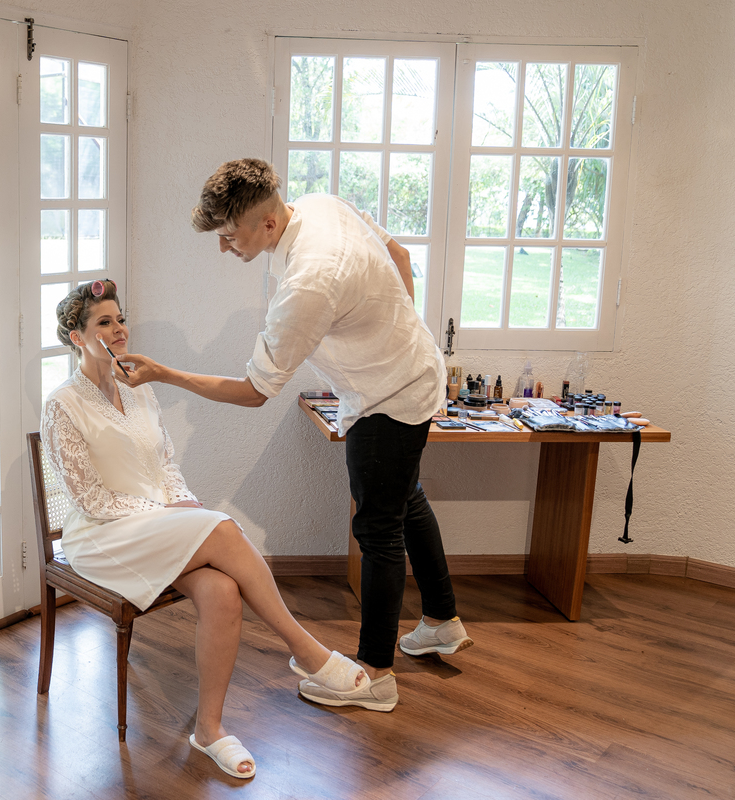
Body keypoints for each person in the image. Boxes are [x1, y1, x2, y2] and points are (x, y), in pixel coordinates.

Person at [115, 158, 473, 712]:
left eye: (229, 235)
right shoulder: (321, 203)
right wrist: (398, 332)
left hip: (389, 398)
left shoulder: (308, 281)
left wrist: (164, 373)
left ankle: (377, 676)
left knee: (378, 528)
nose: (223, 247)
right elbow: (400, 257)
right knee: (405, 497)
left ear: (266, 223)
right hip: (414, 370)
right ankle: (442, 621)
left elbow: (255, 392)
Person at [40, 279, 371, 780]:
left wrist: (181, 503)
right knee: (222, 529)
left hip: (156, 524)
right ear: (77, 337)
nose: (120, 329)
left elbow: (166, 465)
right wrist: (170, 515)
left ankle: (210, 730)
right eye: (104, 322)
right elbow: (92, 499)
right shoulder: (62, 404)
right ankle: (307, 651)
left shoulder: (139, 387)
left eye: (120, 318)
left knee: (221, 590)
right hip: (103, 535)